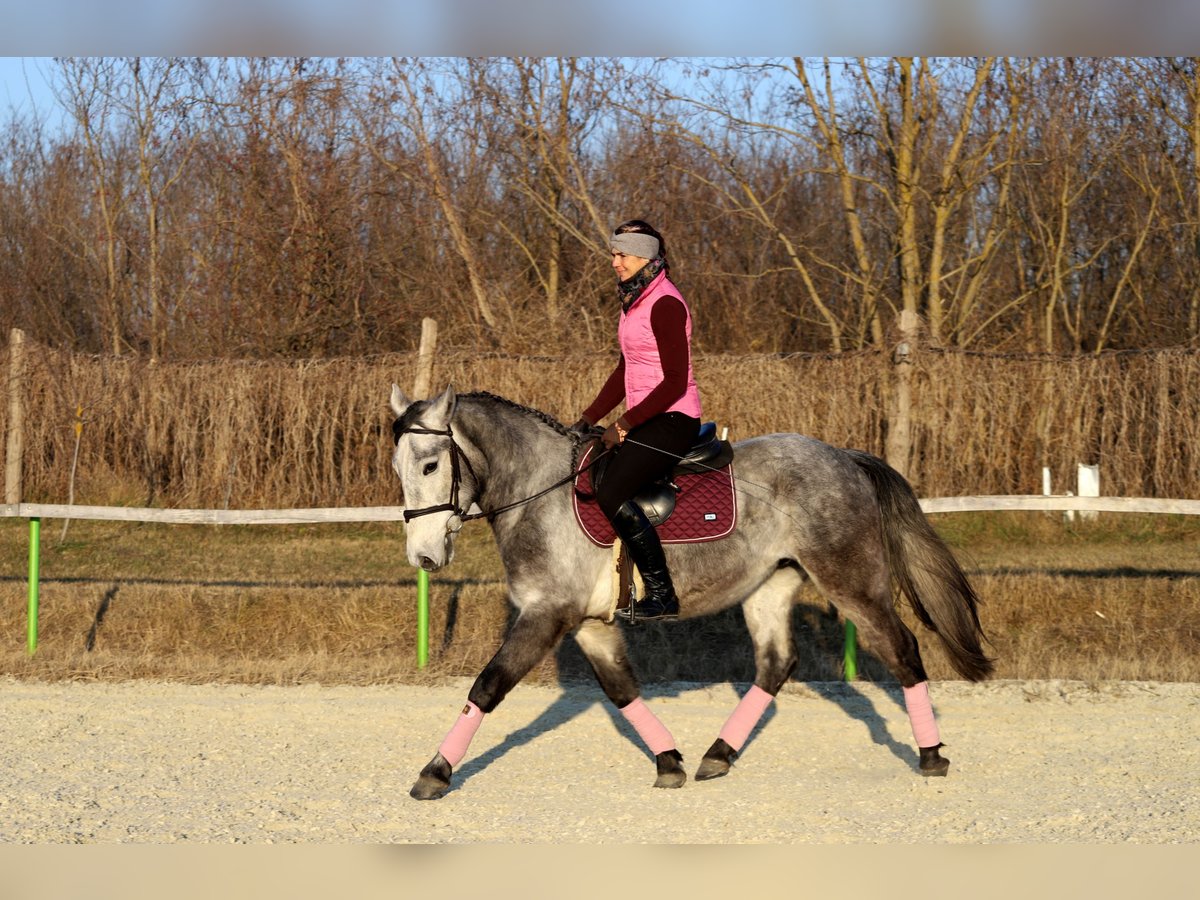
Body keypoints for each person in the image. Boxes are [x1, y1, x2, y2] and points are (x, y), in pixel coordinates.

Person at [572, 220, 702, 622]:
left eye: (621, 254)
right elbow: (624, 370)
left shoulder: (664, 302)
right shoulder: (633, 301)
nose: (615, 262)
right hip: (648, 417)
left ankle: (662, 594)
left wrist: (625, 424)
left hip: (674, 418)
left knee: (611, 491)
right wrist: (588, 418)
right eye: (613, 254)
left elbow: (675, 380)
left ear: (644, 256)